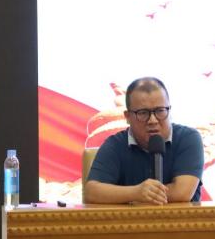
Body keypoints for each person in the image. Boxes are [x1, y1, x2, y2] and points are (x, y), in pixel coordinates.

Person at [84, 77, 204, 205]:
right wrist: (136, 192)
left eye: (160, 111)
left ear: (169, 110)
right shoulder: (115, 144)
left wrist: (142, 196)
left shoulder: (188, 138)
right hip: (131, 218)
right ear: (128, 117)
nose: (153, 120)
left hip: (181, 218)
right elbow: (91, 192)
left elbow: (182, 193)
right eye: (143, 113)